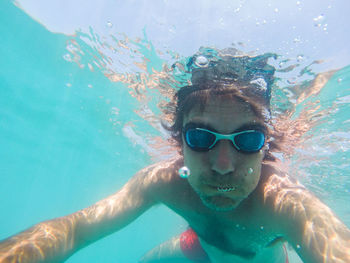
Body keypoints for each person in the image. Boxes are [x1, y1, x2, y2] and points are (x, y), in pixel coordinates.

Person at [0, 51, 349, 263]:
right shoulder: (164, 182)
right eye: (200, 137)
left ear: (265, 145)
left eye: (248, 139)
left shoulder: (286, 203)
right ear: (180, 142)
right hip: (194, 248)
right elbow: (75, 229)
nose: (223, 165)